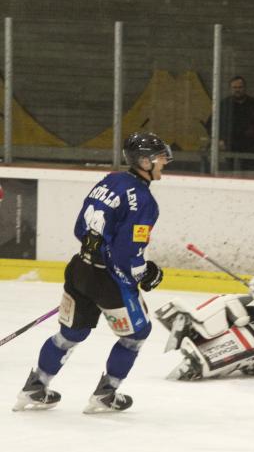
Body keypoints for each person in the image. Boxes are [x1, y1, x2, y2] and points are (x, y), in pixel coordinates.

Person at [14, 133, 170, 413]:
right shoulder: (144, 200)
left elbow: (79, 227)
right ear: (145, 161)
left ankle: (35, 386)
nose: (164, 163)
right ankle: (106, 394)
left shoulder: (110, 181)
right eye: (160, 159)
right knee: (137, 335)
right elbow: (127, 254)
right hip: (109, 279)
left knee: (70, 335)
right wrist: (144, 273)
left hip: (80, 269)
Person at [217, 76, 254, 153]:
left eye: (240, 87)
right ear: (230, 89)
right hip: (230, 146)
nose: (237, 90)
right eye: (234, 87)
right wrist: (220, 139)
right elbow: (214, 123)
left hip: (251, 147)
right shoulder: (224, 104)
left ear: (245, 88)